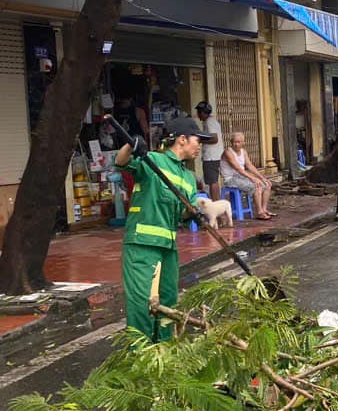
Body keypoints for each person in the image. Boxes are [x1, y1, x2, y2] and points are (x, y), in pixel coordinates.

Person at [117, 117, 213, 341]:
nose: (200, 146)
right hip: (142, 245)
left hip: (169, 248)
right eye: (197, 141)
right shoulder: (151, 161)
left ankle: (165, 352)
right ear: (182, 139)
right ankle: (141, 357)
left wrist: (194, 215)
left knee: (168, 302)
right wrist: (132, 146)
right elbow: (121, 162)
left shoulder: (189, 177)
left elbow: (182, 211)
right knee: (142, 305)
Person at [220, 132, 274, 219]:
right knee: (257, 186)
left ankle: (264, 209)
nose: (236, 144)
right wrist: (252, 178)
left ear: (243, 143)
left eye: (238, 142)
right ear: (231, 142)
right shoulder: (228, 152)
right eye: (234, 142)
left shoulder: (243, 152)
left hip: (241, 176)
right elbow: (238, 169)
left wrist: (262, 178)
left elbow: (249, 165)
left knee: (267, 184)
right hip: (230, 179)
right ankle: (260, 212)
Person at [193, 102, 223, 200]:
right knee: (213, 182)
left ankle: (216, 204)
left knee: (212, 182)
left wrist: (200, 139)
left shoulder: (210, 122)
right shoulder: (210, 121)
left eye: (198, 112)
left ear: (202, 112)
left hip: (211, 157)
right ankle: (216, 203)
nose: (198, 114)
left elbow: (214, 139)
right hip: (213, 156)